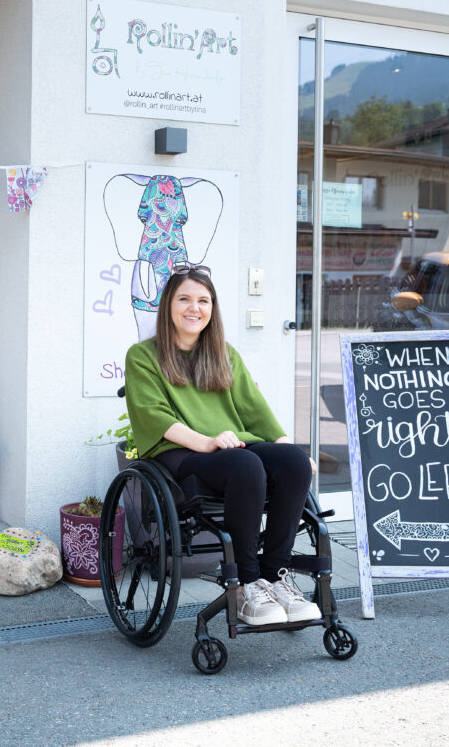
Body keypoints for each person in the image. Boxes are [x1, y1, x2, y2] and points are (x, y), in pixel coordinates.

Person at [124, 263, 320, 626]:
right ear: (168, 305)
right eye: (184, 299)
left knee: (292, 460)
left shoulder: (223, 353)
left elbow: (253, 408)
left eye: (203, 300)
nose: (193, 308)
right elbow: (153, 415)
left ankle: (273, 576)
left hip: (227, 447)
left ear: (212, 309)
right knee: (245, 465)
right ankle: (246, 583)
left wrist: (285, 446)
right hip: (179, 453)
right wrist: (206, 441)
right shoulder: (143, 355)